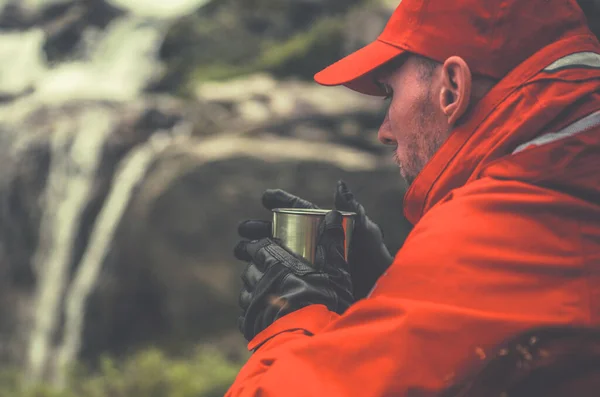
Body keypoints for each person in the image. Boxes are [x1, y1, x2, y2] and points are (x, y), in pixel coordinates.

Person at [227, 0, 600, 395]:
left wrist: (290, 320)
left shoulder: (502, 230)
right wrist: (388, 285)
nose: (384, 131)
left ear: (452, 89)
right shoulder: (565, 184)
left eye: (389, 94)